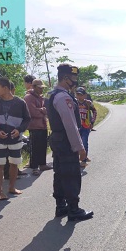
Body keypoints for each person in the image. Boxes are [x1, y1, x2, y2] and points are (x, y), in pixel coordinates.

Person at [45, 63, 93, 221]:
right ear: (65, 78)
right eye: (73, 78)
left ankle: (61, 206)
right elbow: (70, 125)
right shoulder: (64, 97)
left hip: (58, 140)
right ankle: (74, 209)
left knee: (59, 173)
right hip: (66, 141)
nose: (75, 81)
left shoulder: (53, 94)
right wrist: (80, 147)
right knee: (71, 174)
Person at [0, 77, 31, 200]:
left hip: (15, 139)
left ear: (5, 88)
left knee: (14, 163)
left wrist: (19, 130)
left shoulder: (21, 102)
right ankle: (0, 192)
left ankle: (12, 187)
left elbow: (27, 119)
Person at [25, 79, 51, 176]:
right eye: (40, 88)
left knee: (43, 146)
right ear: (34, 87)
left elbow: (45, 110)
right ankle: (35, 167)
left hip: (42, 125)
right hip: (34, 126)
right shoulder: (28, 98)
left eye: (42, 88)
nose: (41, 90)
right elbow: (32, 112)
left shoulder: (40, 98)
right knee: (35, 147)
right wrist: (43, 111)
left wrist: (42, 111)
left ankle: (42, 164)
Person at [75, 87, 97, 167]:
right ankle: (78, 158)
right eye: (77, 94)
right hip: (76, 126)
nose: (79, 96)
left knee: (84, 142)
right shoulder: (74, 102)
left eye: (81, 94)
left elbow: (94, 111)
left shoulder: (88, 103)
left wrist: (92, 122)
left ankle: (83, 160)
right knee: (77, 143)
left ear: (85, 95)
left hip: (85, 125)